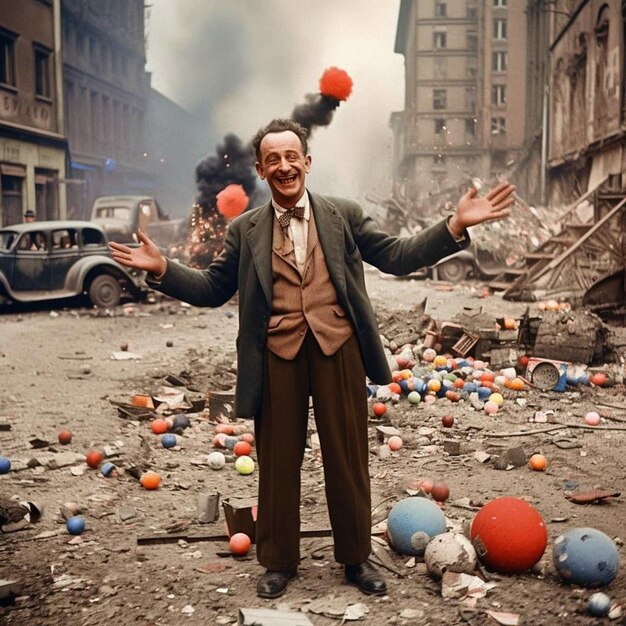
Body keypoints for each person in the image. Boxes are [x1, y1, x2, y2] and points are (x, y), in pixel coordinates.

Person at [110, 118, 515, 599]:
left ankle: (355, 558)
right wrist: (163, 269)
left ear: (306, 162)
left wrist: (455, 225)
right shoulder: (246, 229)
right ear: (261, 170)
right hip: (276, 354)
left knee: (348, 458)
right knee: (278, 461)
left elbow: (399, 255)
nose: (284, 166)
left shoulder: (342, 214)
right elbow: (213, 288)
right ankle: (279, 560)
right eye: (273, 159)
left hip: (337, 348)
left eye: (291, 156)